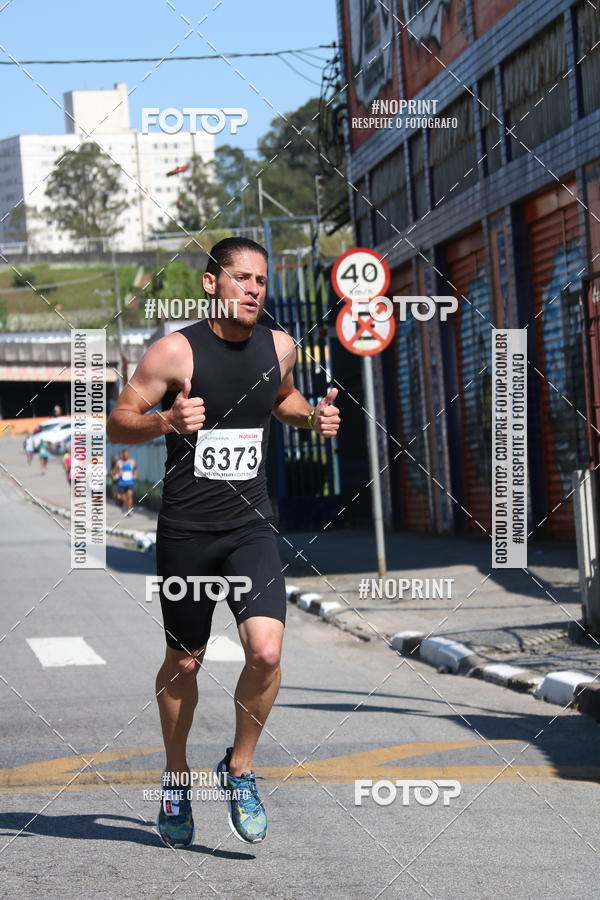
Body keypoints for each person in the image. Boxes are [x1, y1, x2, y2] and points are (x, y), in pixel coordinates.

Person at [107, 237, 340, 849]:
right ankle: (177, 778)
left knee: (265, 652)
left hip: (251, 527)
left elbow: (281, 397)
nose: (253, 289)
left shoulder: (279, 347)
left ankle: (239, 769)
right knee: (186, 662)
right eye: (241, 278)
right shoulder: (175, 352)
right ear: (211, 284)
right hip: (187, 531)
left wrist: (309, 417)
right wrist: (164, 421)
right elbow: (117, 419)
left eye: (261, 280)